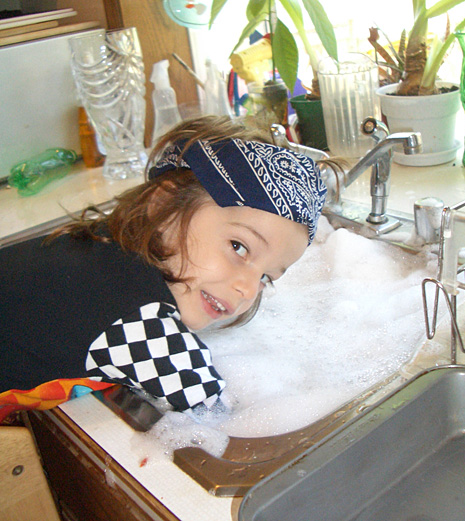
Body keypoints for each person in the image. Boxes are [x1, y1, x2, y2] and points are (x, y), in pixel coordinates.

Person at [0, 115, 327, 422]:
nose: (248, 289)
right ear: (162, 206)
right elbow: (213, 415)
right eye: (238, 247)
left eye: (266, 277)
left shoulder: (106, 247)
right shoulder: (140, 322)